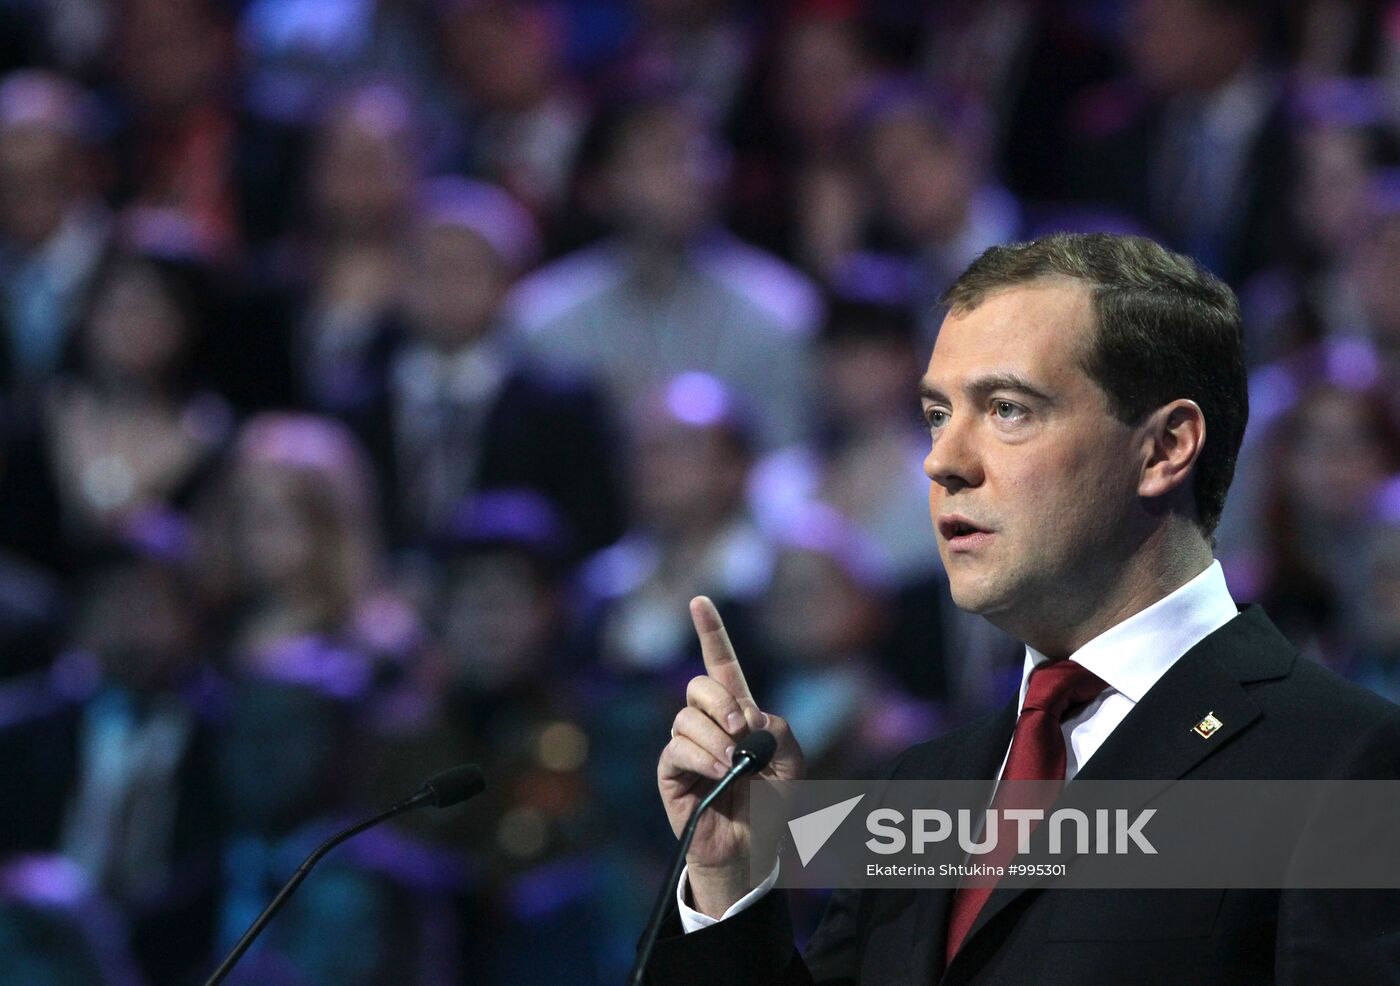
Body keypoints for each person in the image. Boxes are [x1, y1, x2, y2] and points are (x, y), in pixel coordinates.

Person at [644, 232, 1400, 985]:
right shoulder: (920, 789)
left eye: (1006, 408)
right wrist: (727, 885)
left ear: (1166, 447)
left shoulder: (1343, 763)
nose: (942, 460)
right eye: (938, 414)